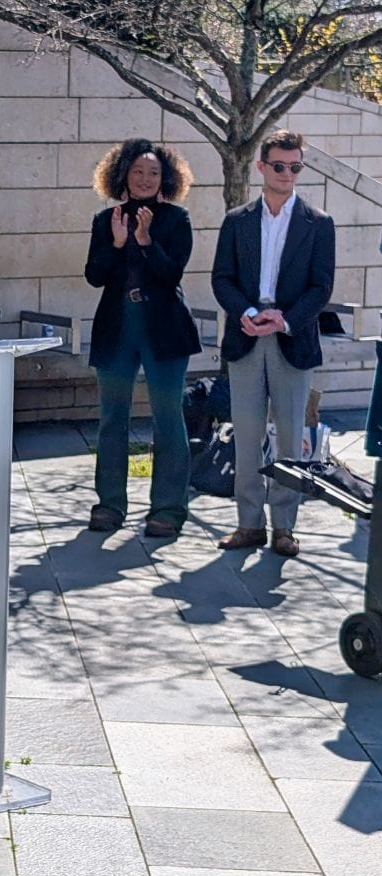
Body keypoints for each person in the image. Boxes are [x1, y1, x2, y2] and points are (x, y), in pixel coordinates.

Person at [211, 129, 336, 558]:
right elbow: (221, 279)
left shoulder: (319, 223)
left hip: (291, 339)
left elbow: (321, 288)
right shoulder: (236, 219)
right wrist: (247, 314)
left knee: (289, 438)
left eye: (295, 166)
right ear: (261, 166)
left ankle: (284, 527)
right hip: (247, 337)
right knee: (246, 436)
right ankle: (249, 525)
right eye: (279, 166)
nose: (287, 174)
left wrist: (284, 319)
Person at [83, 138, 200, 538]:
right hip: (118, 328)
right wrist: (117, 243)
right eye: (138, 172)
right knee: (112, 420)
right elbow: (95, 275)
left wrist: (147, 241)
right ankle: (109, 505)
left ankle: (168, 509)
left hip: (164, 330)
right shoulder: (105, 220)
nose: (146, 178)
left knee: (168, 419)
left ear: (165, 177)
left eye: (153, 172)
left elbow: (171, 276)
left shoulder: (176, 219)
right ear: (123, 176)